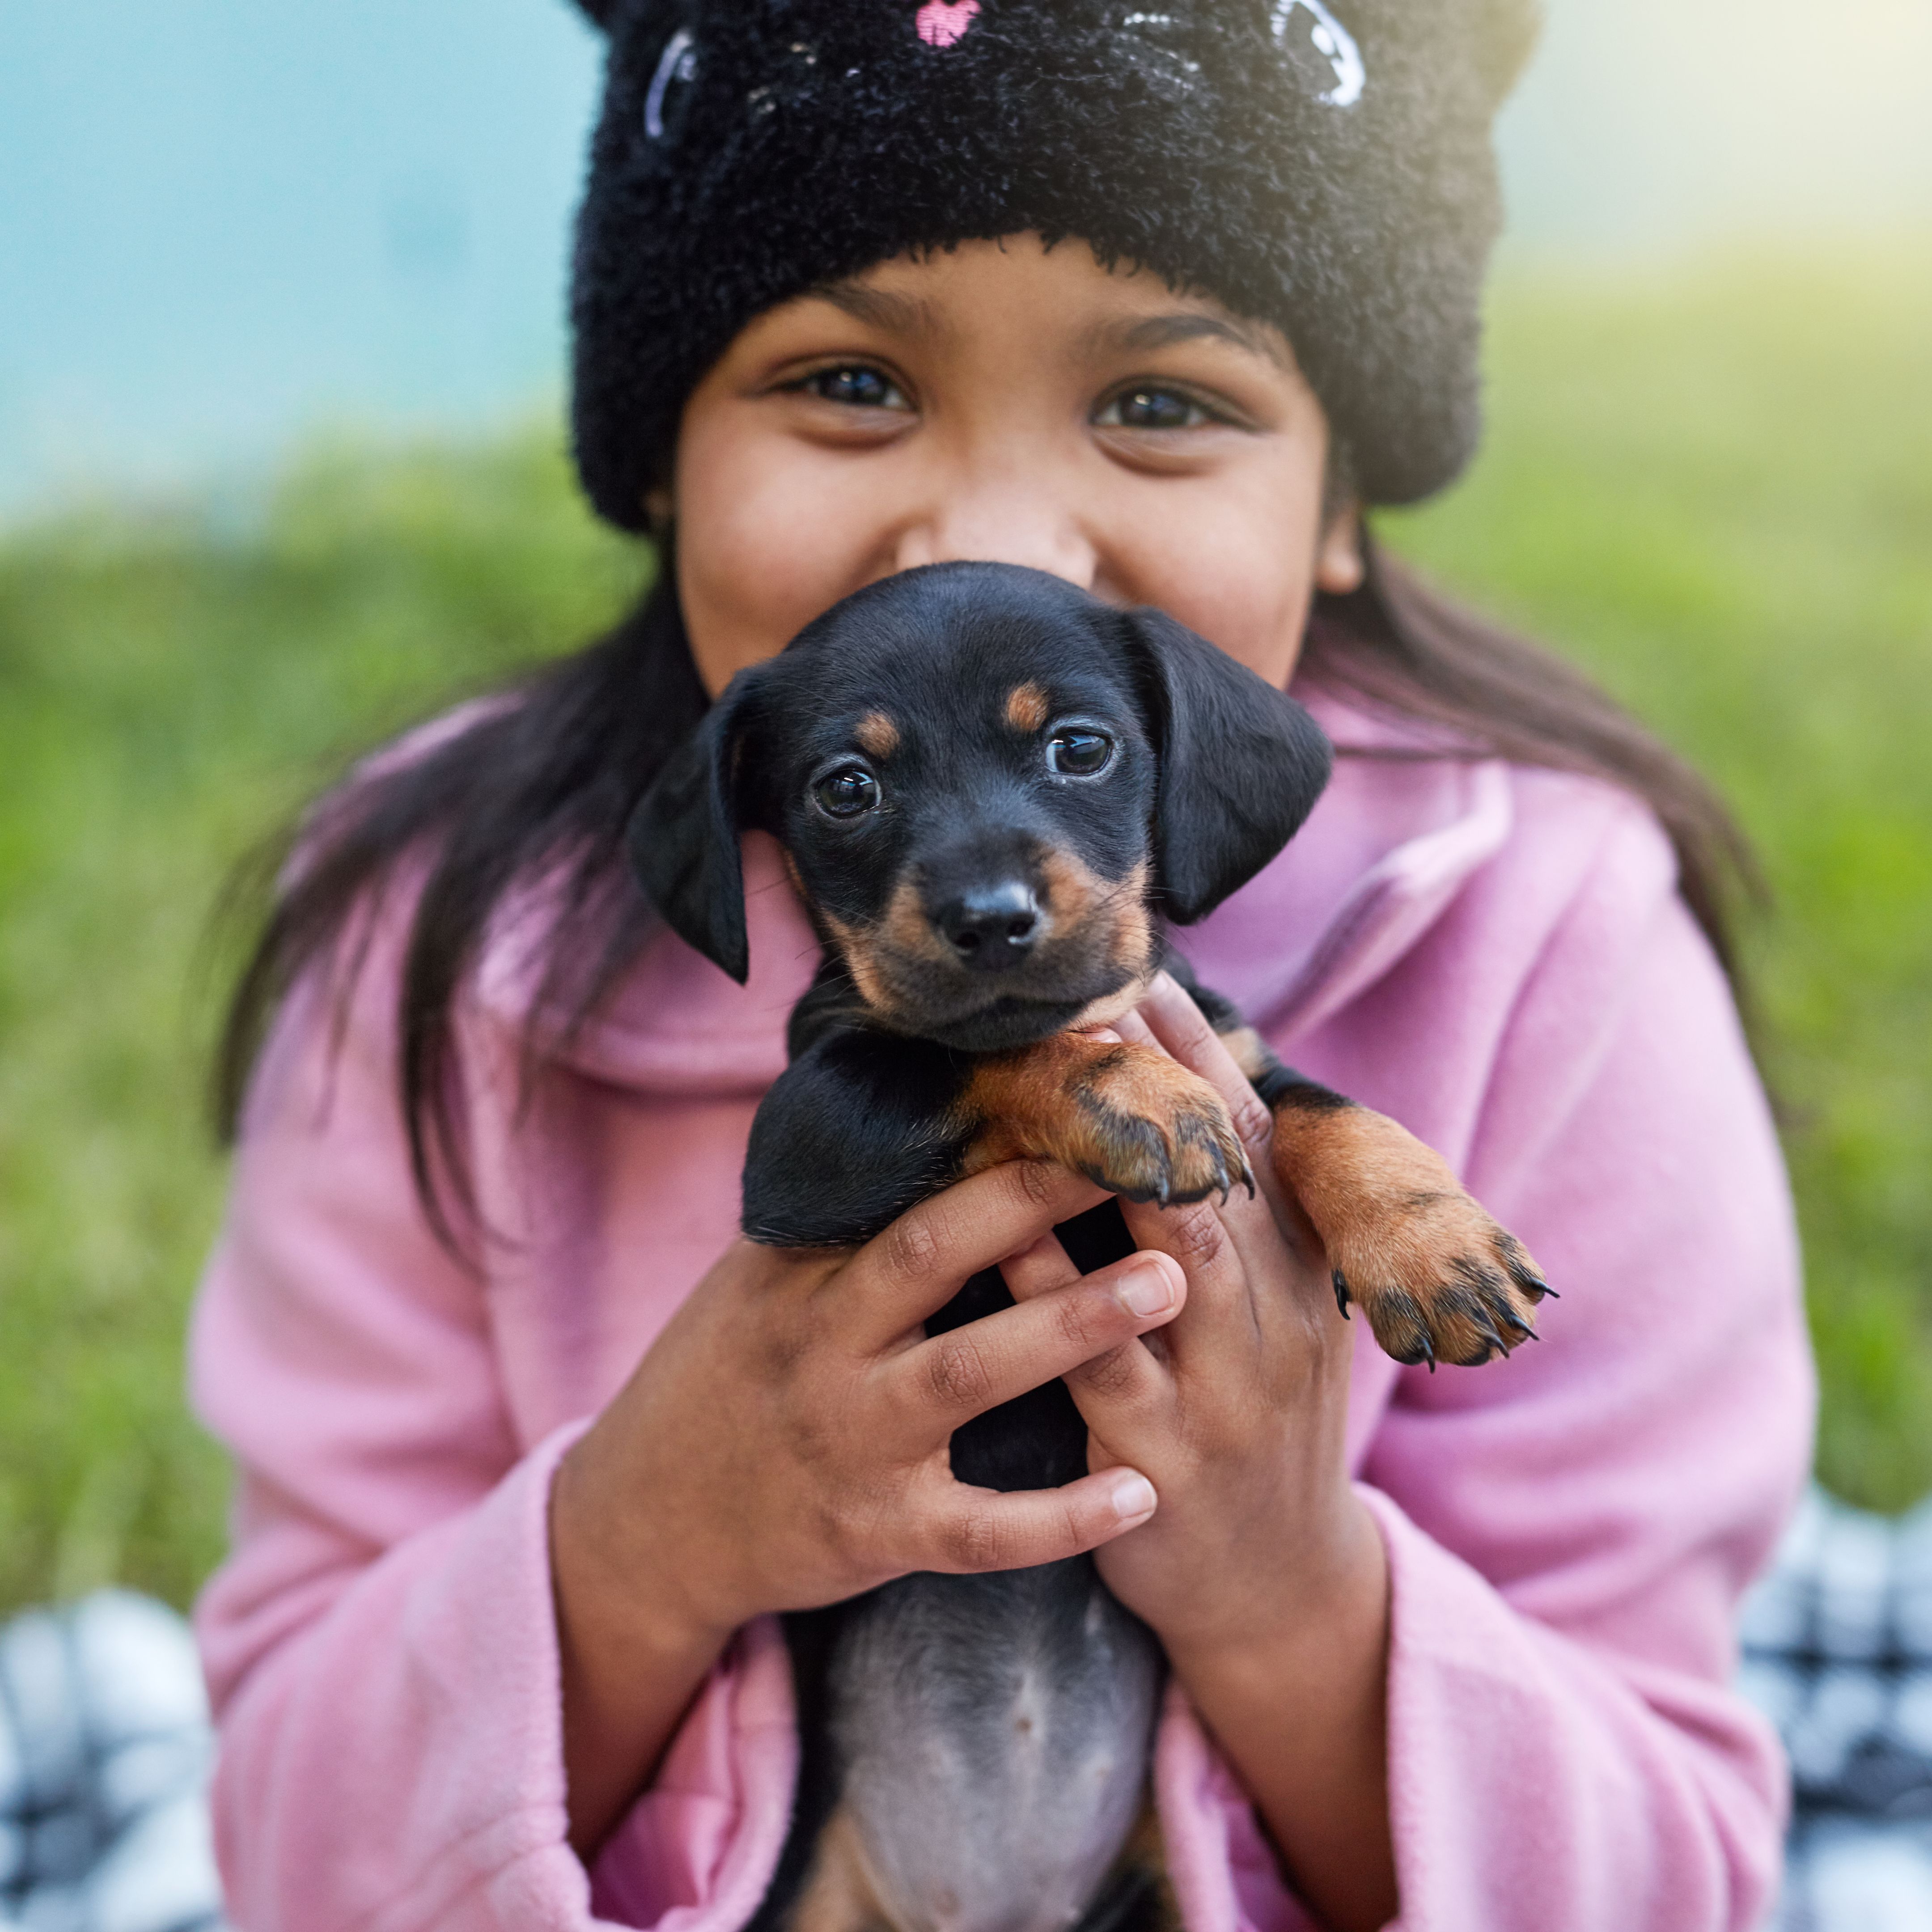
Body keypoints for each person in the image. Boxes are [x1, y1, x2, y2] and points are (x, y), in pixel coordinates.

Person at [188, 1, 1816, 1928]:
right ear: (656, 459)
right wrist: (639, 1542)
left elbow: (1677, 1879)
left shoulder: (1552, 942)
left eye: (1161, 401)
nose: (994, 535)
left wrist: (1285, 1586)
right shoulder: (430, 947)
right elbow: (287, 1850)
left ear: (1348, 495)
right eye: (853, 381)